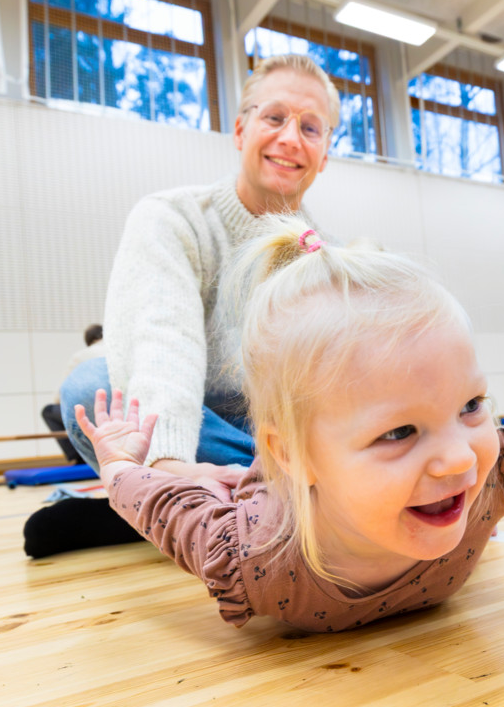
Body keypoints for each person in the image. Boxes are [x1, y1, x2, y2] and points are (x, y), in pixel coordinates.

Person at [73, 216, 504, 633]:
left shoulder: (487, 483)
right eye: (399, 432)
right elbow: (175, 515)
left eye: (470, 404)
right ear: (292, 454)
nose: (461, 458)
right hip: (266, 495)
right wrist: (120, 470)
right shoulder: (257, 553)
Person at [25, 55, 339, 558]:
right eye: (274, 118)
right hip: (194, 426)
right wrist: (171, 462)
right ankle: (242, 498)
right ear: (240, 131)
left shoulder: (326, 254)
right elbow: (164, 338)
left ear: (324, 154)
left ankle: (161, 509)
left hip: (275, 438)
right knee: (90, 387)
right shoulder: (172, 219)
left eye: (310, 128)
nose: (290, 138)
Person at [40, 325, 105, 463]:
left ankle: (77, 458)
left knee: (48, 411)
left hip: (94, 413)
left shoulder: (81, 356)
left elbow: (60, 394)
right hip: (123, 411)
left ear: (89, 341)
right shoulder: (119, 352)